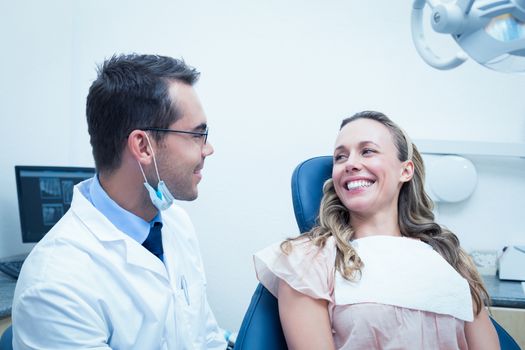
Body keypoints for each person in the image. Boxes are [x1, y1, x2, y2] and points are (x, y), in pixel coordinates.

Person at [12, 54, 229, 349]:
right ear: (143, 146)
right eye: (197, 135)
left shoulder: (176, 224)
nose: (208, 149)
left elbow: (206, 336)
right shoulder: (55, 283)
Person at [254, 111, 499, 349]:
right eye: (340, 157)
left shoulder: (448, 259)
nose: (350, 164)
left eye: (367, 151)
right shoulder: (308, 261)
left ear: (405, 171)